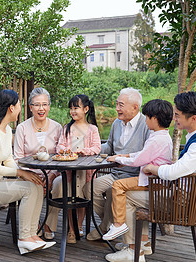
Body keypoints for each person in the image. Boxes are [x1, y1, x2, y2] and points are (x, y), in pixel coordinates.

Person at [105, 91, 196, 262]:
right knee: (132, 189)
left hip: (186, 203)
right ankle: (144, 243)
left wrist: (151, 168)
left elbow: (172, 173)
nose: (173, 118)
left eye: (177, 115)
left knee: (127, 195)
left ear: (192, 118)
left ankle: (133, 250)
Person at [0, 89, 55, 255]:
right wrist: (21, 174)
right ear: (11, 108)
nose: (20, 108)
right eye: (19, 105)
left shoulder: (7, 130)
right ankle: (24, 238)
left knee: (35, 185)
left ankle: (33, 235)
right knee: (29, 189)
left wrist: (26, 174)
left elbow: (9, 160)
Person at [83, 88, 150, 241]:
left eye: (121, 105)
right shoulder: (116, 124)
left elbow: (147, 155)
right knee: (89, 188)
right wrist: (92, 149)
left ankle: (105, 227)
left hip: (134, 177)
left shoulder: (146, 125)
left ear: (135, 107)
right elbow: (109, 147)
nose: (117, 109)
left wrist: (123, 159)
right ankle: (109, 222)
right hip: (115, 174)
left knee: (113, 192)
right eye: (117, 104)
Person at [103, 99, 173, 241]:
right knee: (119, 186)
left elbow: (138, 160)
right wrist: (124, 155)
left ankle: (118, 223)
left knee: (118, 185)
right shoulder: (161, 136)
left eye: (147, 117)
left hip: (151, 181)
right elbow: (142, 154)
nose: (145, 120)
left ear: (154, 119)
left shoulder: (156, 139)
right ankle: (141, 241)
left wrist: (118, 159)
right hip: (152, 179)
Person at [13, 87, 63, 240]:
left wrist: (52, 176)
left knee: (61, 184)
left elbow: (61, 156)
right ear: (30, 107)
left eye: (45, 104)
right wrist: (30, 175)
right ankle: (33, 227)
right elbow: (17, 159)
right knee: (34, 185)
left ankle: (48, 223)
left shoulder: (57, 127)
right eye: (37, 105)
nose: (41, 109)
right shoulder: (22, 128)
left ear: (49, 106)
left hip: (52, 174)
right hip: (29, 174)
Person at [52, 94, 101, 243]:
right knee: (70, 195)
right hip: (69, 170)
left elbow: (97, 147)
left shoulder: (92, 129)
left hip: (86, 171)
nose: (73, 111)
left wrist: (83, 151)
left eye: (76, 108)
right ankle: (71, 229)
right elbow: (60, 145)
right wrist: (63, 150)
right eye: (71, 108)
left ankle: (79, 226)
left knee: (82, 197)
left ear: (86, 109)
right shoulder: (67, 128)